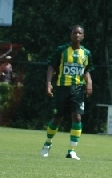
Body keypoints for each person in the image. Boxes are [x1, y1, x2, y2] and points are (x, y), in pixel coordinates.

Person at [40, 25, 94, 160]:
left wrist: (89, 83)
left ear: (83, 36)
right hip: (62, 88)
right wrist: (48, 83)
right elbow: (51, 66)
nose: (77, 35)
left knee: (77, 117)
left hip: (78, 89)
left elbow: (86, 70)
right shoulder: (62, 50)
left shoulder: (86, 53)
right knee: (58, 118)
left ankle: (71, 151)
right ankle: (47, 144)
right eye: (75, 32)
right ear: (70, 35)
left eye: (79, 33)